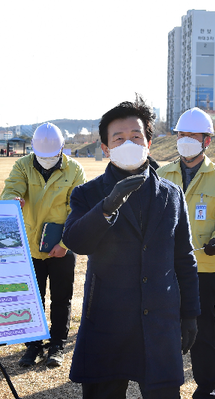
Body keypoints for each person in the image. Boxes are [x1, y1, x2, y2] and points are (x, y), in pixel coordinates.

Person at [63, 96, 200, 399]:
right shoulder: (88, 193)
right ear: (105, 148)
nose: (128, 143)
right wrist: (107, 207)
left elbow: (184, 258)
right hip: (108, 322)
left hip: (160, 321)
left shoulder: (171, 194)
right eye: (119, 138)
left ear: (149, 142)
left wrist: (190, 313)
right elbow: (75, 241)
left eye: (136, 137)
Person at [158, 108, 215, 398]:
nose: (186, 140)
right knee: (163, 331)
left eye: (193, 135)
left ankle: (207, 388)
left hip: (203, 269)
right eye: (182, 135)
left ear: (207, 141)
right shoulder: (161, 175)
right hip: (165, 269)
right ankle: (165, 385)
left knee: (203, 333)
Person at [1, 122, 86, 368]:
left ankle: (57, 344)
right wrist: (12, 201)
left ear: (62, 149)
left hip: (61, 247)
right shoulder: (23, 165)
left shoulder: (75, 170)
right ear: (33, 150)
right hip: (29, 246)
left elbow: (78, 208)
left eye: (52, 155)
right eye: (41, 156)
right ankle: (33, 345)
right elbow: (10, 189)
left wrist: (64, 243)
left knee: (62, 298)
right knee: (32, 298)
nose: (46, 160)